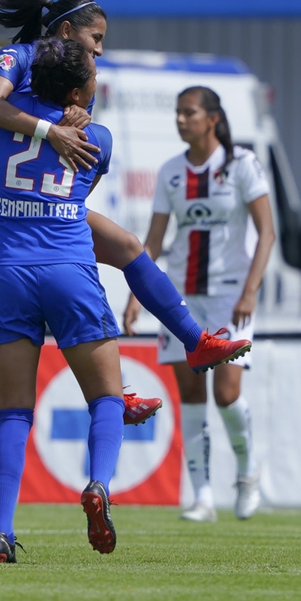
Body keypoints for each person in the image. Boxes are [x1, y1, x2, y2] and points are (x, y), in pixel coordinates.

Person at [0, 0, 251, 384]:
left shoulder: (65, 89)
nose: (101, 50)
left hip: (39, 205)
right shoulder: (17, 58)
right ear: (67, 31)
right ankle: (110, 398)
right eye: (96, 37)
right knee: (53, 290)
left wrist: (67, 123)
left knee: (127, 245)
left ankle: (193, 342)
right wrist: (50, 131)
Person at [0, 37, 125, 563]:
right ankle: (98, 484)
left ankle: (1, 529)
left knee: (13, 414)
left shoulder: (1, 121)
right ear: (77, 90)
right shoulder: (99, 138)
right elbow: (82, 187)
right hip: (69, 270)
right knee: (107, 397)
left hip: (9, 271)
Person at [123, 87, 268, 522]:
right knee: (190, 396)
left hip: (230, 297)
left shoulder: (242, 165)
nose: (181, 120)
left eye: (189, 113)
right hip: (181, 301)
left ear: (212, 119)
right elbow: (152, 242)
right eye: (177, 113)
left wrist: (251, 290)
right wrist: (135, 295)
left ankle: (246, 473)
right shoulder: (170, 172)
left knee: (226, 393)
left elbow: (267, 233)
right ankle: (202, 496)